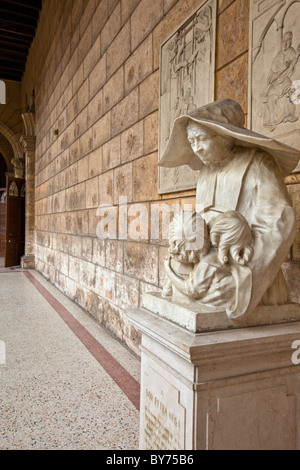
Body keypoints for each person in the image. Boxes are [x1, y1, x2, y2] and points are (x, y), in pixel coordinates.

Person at [159, 99, 300, 320]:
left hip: (247, 268)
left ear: (223, 136)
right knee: (175, 277)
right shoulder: (206, 172)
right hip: (209, 262)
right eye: (191, 141)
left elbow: (280, 223)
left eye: (200, 139)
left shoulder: (258, 163)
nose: (196, 149)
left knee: (209, 293)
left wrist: (242, 278)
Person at [163, 210, 254, 318]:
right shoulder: (212, 255)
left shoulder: (208, 262)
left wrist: (168, 270)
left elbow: (191, 289)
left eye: (183, 252)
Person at [262, 31, 300, 132]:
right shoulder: (278, 56)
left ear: (291, 42)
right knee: (271, 99)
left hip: (285, 80)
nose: (286, 43)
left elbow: (292, 66)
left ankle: (289, 115)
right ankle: (272, 122)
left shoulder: (292, 52)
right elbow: (271, 77)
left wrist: (297, 56)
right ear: (281, 42)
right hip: (276, 82)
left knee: (290, 89)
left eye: (288, 41)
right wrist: (281, 70)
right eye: (284, 41)